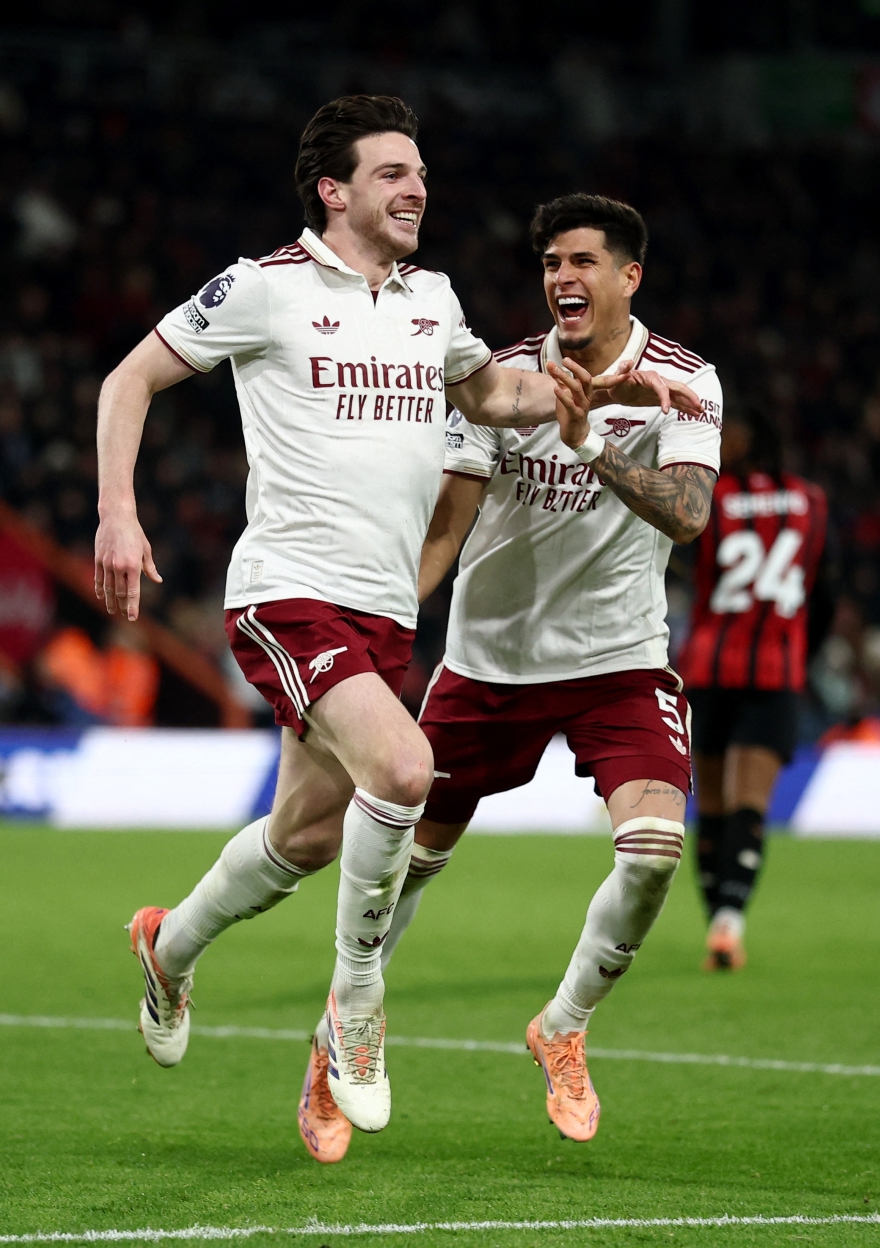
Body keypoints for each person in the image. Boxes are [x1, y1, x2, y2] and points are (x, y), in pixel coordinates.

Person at [93, 101, 698, 1151]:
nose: (417, 188)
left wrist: (568, 400)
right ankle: (358, 1006)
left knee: (307, 836)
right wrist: (115, 510)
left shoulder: (432, 301)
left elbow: (489, 392)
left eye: (421, 173)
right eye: (392, 174)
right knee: (406, 770)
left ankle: (168, 946)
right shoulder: (266, 287)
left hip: (378, 613)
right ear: (334, 190)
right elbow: (128, 378)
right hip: (288, 591)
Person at [298, 192, 723, 1156]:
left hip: (619, 659)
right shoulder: (497, 383)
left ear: (629, 277)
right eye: (549, 263)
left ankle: (563, 1024)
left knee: (654, 854)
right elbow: (447, 524)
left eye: (581, 261)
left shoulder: (686, 381)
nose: (562, 278)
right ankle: (336, 1040)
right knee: (403, 865)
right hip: (488, 664)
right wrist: (382, 630)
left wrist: (592, 450)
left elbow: (690, 513)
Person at [679, 408, 827, 970]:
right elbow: (826, 592)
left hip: (712, 669)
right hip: (776, 672)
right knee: (751, 804)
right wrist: (796, 653)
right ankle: (729, 920)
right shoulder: (811, 499)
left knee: (711, 805)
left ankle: (716, 916)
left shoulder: (712, 499)